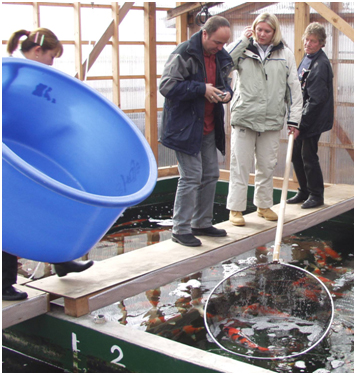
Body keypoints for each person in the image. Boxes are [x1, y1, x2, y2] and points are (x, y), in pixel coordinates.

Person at [3, 28, 94, 301]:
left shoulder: (35, 79)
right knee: (8, 222)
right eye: (52, 57)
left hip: (33, 158)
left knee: (55, 206)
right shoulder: (12, 75)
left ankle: (62, 260)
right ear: (38, 51)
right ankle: (4, 284)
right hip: (10, 162)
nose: (53, 63)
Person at [159, 16, 234, 247]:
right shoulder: (184, 53)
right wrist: (201, 89)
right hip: (185, 127)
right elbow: (167, 86)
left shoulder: (221, 55)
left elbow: (225, 82)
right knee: (191, 176)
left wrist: (227, 92)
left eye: (224, 44)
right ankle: (180, 229)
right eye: (217, 42)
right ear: (204, 34)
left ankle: (201, 223)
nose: (220, 48)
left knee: (210, 174)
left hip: (209, 125)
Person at [226, 13, 303, 227]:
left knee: (267, 165)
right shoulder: (243, 50)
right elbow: (224, 62)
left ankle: (263, 205)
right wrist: (242, 40)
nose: (262, 34)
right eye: (258, 29)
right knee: (239, 165)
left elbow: (294, 89)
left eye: (267, 31)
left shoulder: (285, 54)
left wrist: (294, 120)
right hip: (244, 116)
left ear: (274, 32)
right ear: (253, 29)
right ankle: (235, 209)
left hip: (271, 119)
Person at [287, 23, 334, 209]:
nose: (308, 44)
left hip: (313, 118)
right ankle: (304, 190)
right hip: (302, 116)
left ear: (321, 43)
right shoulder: (307, 58)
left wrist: (300, 124)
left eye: (313, 41)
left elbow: (316, 100)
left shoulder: (320, 65)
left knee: (308, 155)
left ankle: (316, 194)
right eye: (306, 39)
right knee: (295, 154)